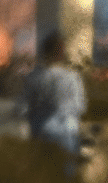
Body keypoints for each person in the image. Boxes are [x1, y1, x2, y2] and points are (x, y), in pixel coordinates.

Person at [22, 31, 87, 175]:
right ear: (62, 53)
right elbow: (80, 106)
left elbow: (22, 108)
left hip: (40, 135)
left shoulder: (32, 78)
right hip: (67, 136)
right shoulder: (72, 78)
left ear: (44, 51)